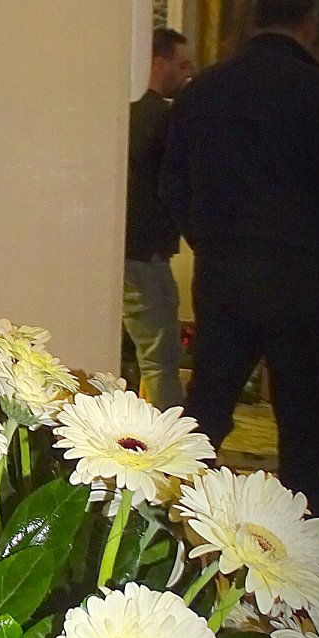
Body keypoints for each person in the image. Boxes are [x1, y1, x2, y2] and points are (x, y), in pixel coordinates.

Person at [161, 0, 319, 529]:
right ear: (309, 24)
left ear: (252, 21)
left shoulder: (206, 90)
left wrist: (210, 243)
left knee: (204, 420)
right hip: (309, 282)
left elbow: (172, 185)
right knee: (308, 441)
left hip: (228, 274)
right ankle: (316, 576)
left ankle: (165, 540)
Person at [121, 27, 194, 408]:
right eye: (181, 65)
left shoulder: (129, 111)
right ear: (157, 61)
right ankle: (170, 449)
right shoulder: (153, 116)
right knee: (160, 360)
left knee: (156, 355)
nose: (187, 74)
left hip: (138, 249)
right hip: (143, 252)